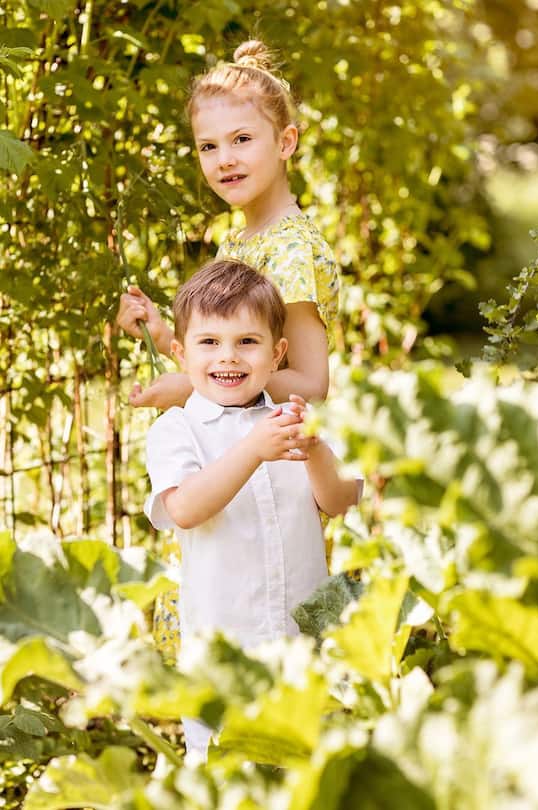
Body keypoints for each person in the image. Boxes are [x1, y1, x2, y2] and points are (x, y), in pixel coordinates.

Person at [144, 260, 360, 757]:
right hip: (225, 651)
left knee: (304, 764)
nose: (229, 357)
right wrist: (252, 450)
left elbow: (341, 500)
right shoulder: (177, 430)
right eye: (209, 342)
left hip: (299, 643)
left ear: (277, 354)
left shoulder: (295, 422)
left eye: (246, 342)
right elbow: (185, 508)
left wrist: (317, 451)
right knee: (224, 768)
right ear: (180, 353)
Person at [116, 37, 339, 410]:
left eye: (242, 139)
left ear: (285, 143)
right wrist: (162, 334)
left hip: (279, 453)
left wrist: (191, 388)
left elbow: (310, 382)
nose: (224, 160)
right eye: (208, 146)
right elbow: (234, 366)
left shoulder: (290, 248)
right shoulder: (239, 243)